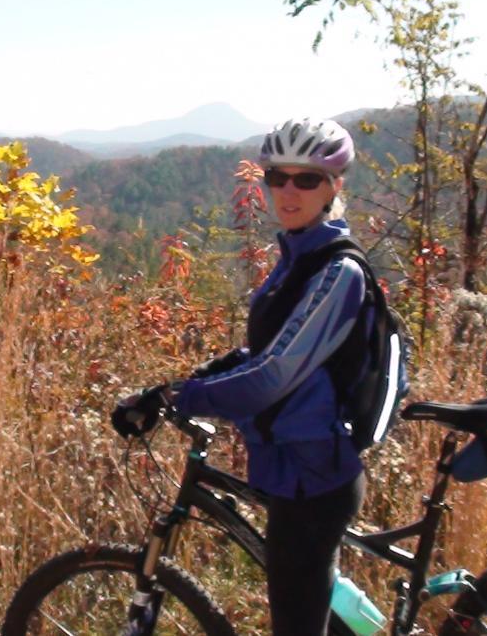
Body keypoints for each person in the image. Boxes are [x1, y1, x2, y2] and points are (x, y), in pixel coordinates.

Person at [113, 118, 368, 636]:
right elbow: (265, 351)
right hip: (292, 466)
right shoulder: (299, 257)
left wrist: (183, 397)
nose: (289, 191)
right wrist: (183, 383)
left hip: (314, 477)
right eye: (278, 177)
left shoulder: (338, 272)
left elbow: (272, 377)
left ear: (334, 186)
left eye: (307, 178)